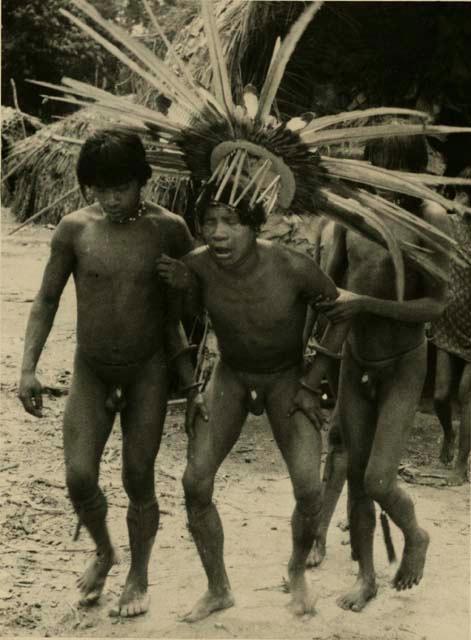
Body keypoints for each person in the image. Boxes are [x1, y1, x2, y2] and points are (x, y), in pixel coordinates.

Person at [18, 129, 203, 617]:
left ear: (142, 181)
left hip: (148, 371)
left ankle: (139, 575)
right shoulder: (74, 229)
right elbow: (47, 299)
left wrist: (186, 282)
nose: (111, 199)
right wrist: (28, 368)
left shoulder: (170, 229)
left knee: (138, 476)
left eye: (120, 188)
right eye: (100, 189)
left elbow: (199, 306)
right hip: (92, 368)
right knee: (79, 476)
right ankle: (104, 550)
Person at [157, 182, 350, 621]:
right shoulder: (196, 268)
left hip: (285, 377)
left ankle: (297, 570)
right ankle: (218, 588)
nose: (218, 233)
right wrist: (190, 388)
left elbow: (338, 314)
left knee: (308, 487)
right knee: (195, 482)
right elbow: (172, 326)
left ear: (254, 224)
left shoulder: (293, 266)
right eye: (209, 222)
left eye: (231, 222)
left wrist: (312, 381)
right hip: (232, 374)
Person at [313, 133, 451, 611]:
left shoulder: (430, 219)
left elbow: (435, 304)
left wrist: (365, 304)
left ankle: (415, 534)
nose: (381, 178)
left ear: (412, 170)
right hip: (357, 359)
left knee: (377, 480)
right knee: (354, 476)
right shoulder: (352, 215)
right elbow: (330, 285)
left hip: (402, 365)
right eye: (375, 164)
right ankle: (367, 577)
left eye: (392, 167)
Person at [428, 168, 471, 485]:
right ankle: (447, 433)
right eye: (461, 193)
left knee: (466, 394)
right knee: (441, 395)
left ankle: (460, 465)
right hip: (448, 321)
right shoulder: (448, 225)